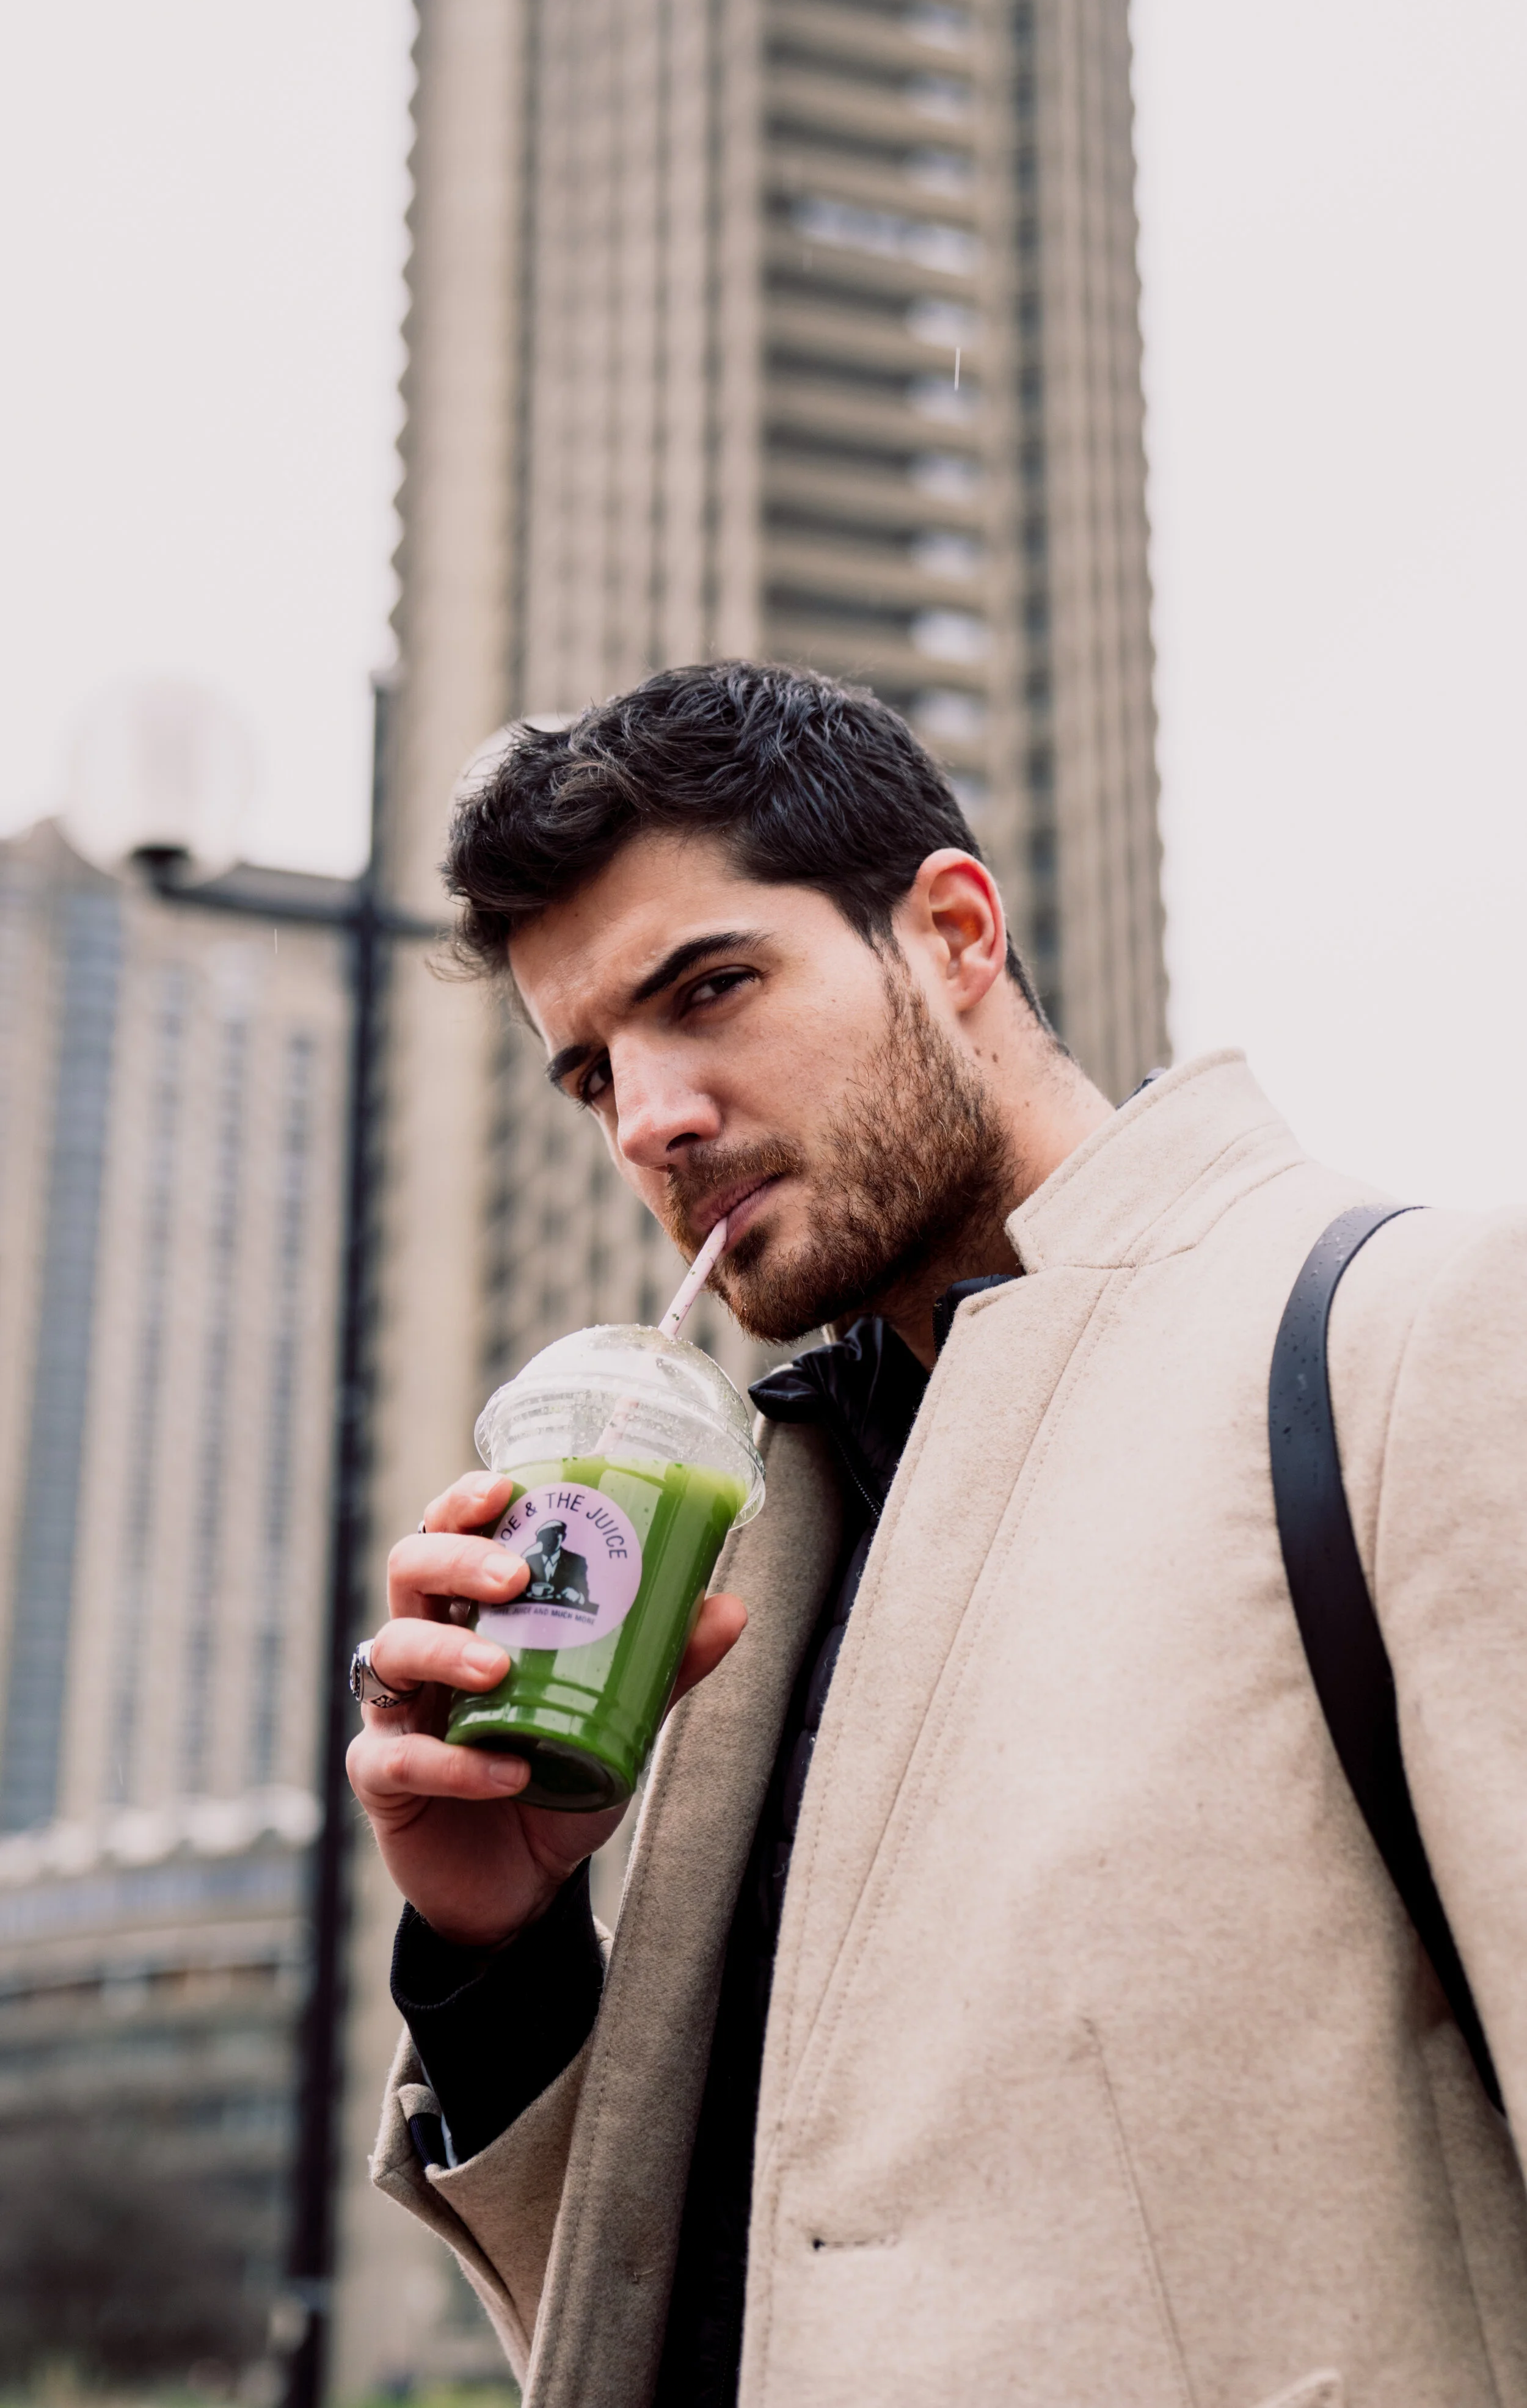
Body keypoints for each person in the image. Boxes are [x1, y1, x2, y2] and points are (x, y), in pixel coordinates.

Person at [350, 661, 1527, 2408]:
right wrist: (501, 1953)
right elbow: (746, 2280)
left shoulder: (1417, 1339)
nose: (654, 1119)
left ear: (953, 933)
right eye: (593, 1076)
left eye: (713, 988)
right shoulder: (741, 1552)